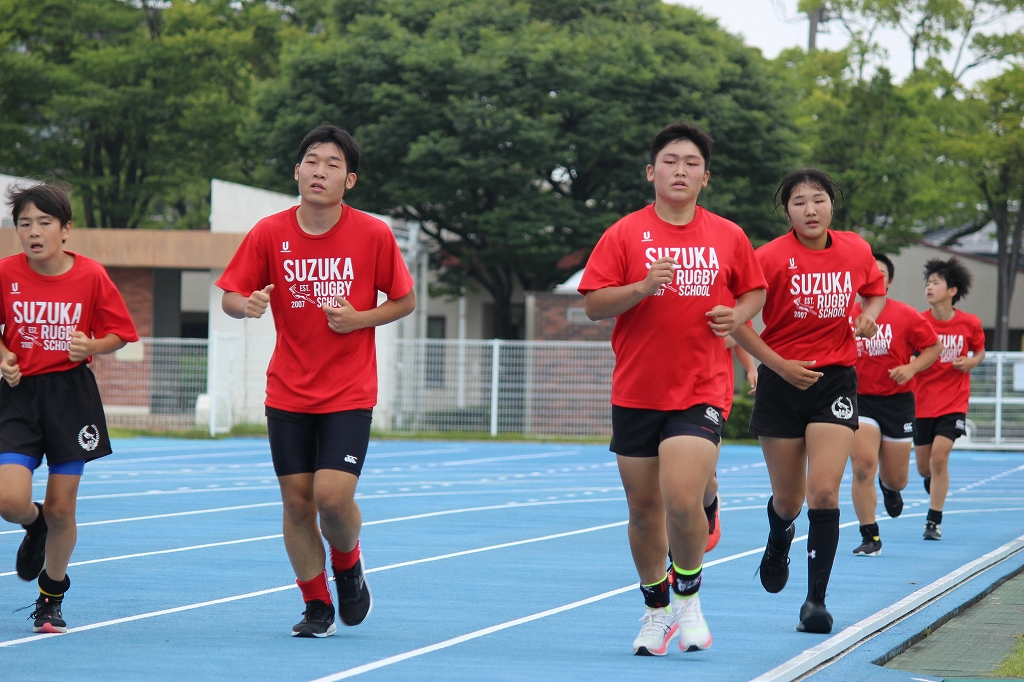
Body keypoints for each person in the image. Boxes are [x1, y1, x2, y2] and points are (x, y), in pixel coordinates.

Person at [217, 125, 415, 637]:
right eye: (311, 161)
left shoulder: (372, 234)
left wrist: (360, 319)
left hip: (348, 391)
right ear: (297, 171)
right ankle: (316, 604)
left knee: (331, 497)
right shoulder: (269, 232)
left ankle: (347, 564)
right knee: (297, 503)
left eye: (332, 164)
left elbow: (405, 300)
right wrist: (246, 305)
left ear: (349, 180)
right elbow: (231, 296)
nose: (319, 171)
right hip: (288, 390)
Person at [579, 122, 767, 656]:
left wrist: (738, 316)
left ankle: (688, 597)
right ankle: (656, 609)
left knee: (681, 499)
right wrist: (641, 287)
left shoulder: (728, 235)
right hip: (636, 390)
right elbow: (593, 304)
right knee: (644, 511)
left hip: (701, 387)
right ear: (651, 172)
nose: (679, 170)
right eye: (669, 161)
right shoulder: (623, 234)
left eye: (691, 163)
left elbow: (754, 291)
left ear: (705, 178)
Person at [732, 168, 886, 634]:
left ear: (832, 204)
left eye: (818, 199)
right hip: (782, 381)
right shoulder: (768, 258)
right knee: (789, 500)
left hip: (834, 381)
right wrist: (777, 366)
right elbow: (738, 322)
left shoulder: (855, 249)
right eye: (799, 202)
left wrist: (868, 317)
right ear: (787, 212)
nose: (810, 209)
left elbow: (875, 293)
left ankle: (815, 601)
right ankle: (779, 537)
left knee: (823, 491)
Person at [0, 182, 139, 633]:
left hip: (70, 397)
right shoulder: (5, 273)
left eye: (44, 222)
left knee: (63, 508)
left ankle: (51, 596)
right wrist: (4, 356)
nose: (33, 232)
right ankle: (34, 523)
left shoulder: (91, 275)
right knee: (8, 500)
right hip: (19, 396)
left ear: (65, 229)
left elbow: (120, 334)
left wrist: (91, 346)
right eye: (24, 224)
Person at [849, 253, 941, 556]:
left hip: (897, 402)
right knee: (862, 465)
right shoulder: (845, 313)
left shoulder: (906, 315)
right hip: (859, 399)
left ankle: (889, 488)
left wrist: (912, 368)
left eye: (880, 273)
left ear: (888, 282)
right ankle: (870, 536)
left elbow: (934, 346)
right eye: (868, 272)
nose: (873, 277)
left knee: (897, 478)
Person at [913, 257, 985, 541]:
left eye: (936, 282)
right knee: (925, 467)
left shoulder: (970, 323)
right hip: (922, 403)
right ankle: (933, 479)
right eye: (928, 282)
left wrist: (972, 362)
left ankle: (934, 521)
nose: (929, 287)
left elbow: (979, 350)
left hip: (954, 403)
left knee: (939, 457)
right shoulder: (919, 322)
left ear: (952, 290)